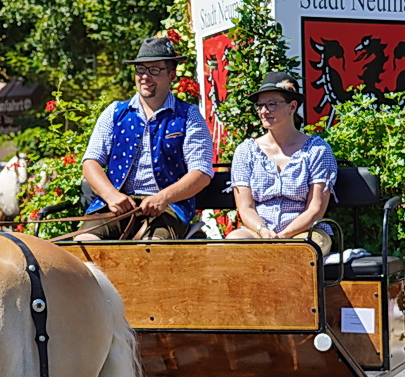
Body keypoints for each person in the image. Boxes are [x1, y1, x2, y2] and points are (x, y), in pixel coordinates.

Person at [76, 35, 215, 241]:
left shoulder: (189, 116)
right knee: (84, 244)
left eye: (154, 70)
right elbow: (91, 162)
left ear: (172, 75)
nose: (145, 76)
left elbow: (201, 172)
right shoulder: (114, 112)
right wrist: (111, 196)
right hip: (117, 206)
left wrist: (163, 197)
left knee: (152, 250)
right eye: (140, 69)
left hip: (168, 209)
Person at [224, 70, 337, 244]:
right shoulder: (246, 151)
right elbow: (245, 207)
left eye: (271, 104)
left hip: (303, 231)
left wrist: (283, 236)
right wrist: (263, 232)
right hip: (260, 231)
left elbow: (315, 208)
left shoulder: (317, 150)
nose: (263, 111)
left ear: (292, 106)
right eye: (260, 105)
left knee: (308, 247)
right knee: (231, 242)